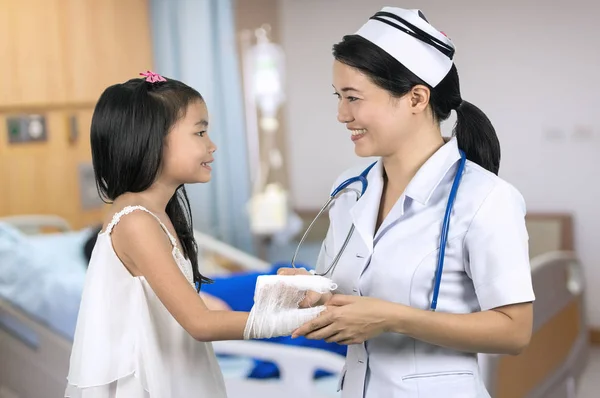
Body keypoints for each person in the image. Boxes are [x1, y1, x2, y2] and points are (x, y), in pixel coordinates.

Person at [279, 7, 535, 398]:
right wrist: (316, 296)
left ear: (416, 98)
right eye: (338, 97)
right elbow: (350, 296)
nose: (341, 114)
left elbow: (515, 331)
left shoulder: (486, 199)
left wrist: (393, 318)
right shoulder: (349, 190)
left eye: (353, 98)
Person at [64, 71, 307, 397]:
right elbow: (201, 323)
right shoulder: (135, 221)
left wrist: (287, 301)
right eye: (200, 132)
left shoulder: (156, 214)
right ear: (151, 137)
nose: (212, 145)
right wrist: (296, 320)